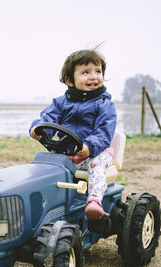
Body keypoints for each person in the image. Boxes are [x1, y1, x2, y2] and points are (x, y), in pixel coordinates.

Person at [29, 49, 117, 220]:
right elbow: (48, 117)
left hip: (95, 153)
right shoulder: (61, 103)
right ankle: (43, 203)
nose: (94, 76)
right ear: (70, 80)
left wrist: (89, 147)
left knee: (96, 165)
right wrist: (37, 128)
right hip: (66, 152)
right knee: (42, 164)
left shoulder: (105, 105)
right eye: (86, 72)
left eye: (98, 71)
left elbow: (104, 132)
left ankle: (94, 201)